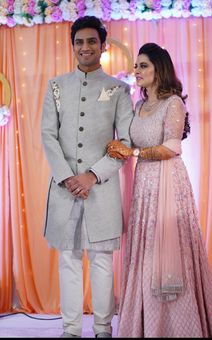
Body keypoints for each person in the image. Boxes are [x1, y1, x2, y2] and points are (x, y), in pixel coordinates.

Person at [107, 43, 212, 338]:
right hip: (143, 185)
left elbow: (172, 147)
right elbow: (136, 145)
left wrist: (132, 153)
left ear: (160, 68)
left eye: (143, 65)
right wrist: (122, 148)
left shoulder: (174, 103)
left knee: (170, 250)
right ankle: (144, 325)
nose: (137, 71)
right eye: (136, 66)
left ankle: (179, 326)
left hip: (168, 183)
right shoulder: (138, 105)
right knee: (145, 249)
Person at [41, 16, 133, 338]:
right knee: (68, 258)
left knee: (102, 262)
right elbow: (48, 136)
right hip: (64, 190)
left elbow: (126, 142)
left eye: (91, 41)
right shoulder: (55, 86)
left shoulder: (118, 89)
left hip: (101, 190)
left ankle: (104, 329)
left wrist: (93, 175)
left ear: (102, 45)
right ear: (72, 46)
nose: (85, 47)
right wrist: (68, 177)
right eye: (79, 42)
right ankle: (70, 330)